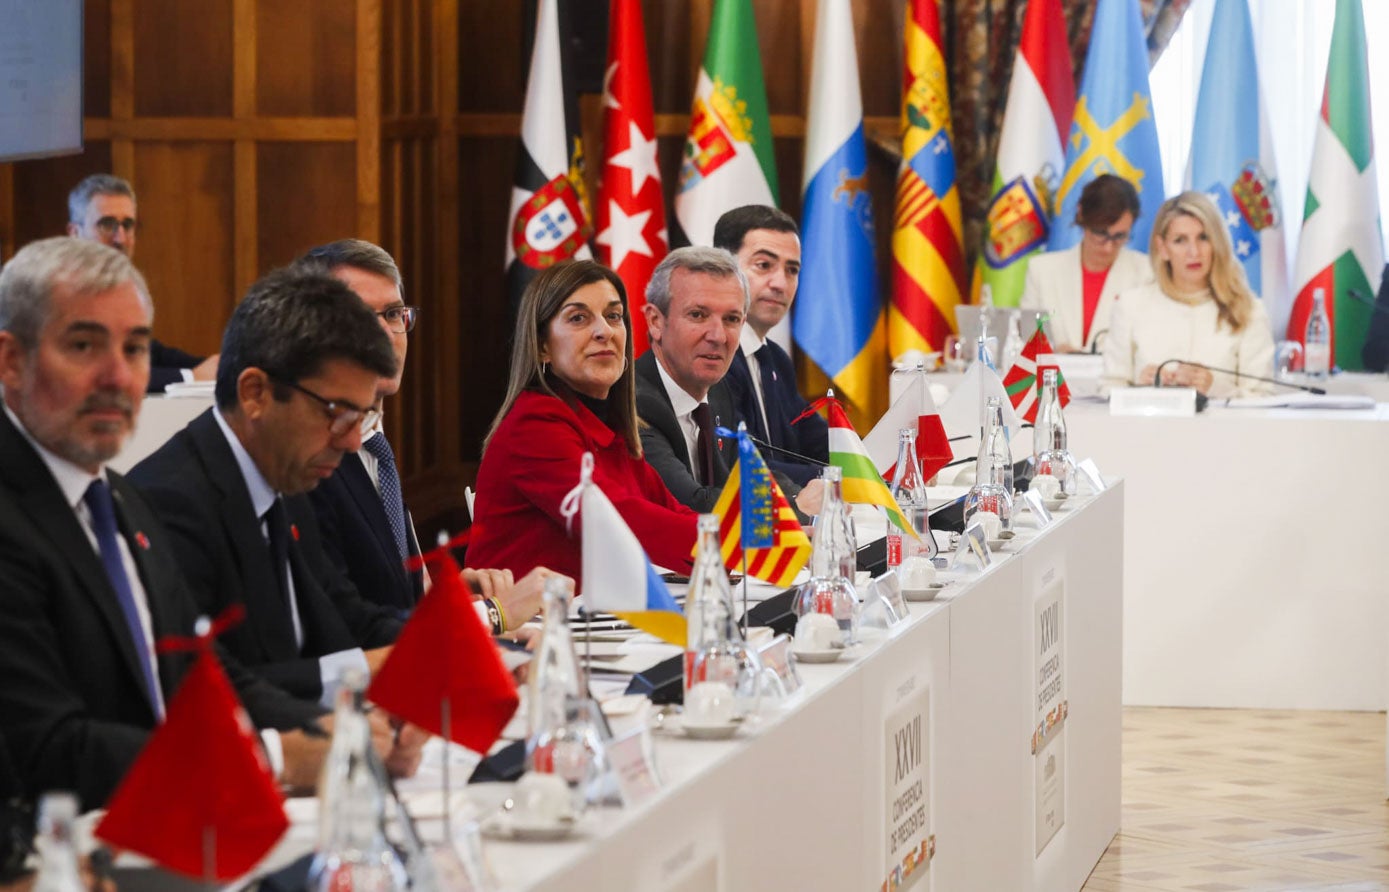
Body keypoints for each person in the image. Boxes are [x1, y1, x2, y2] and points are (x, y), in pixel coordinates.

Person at [0, 238, 411, 811]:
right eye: (84, 345)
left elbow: (202, 675)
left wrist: (340, 735)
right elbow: (45, 748)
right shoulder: (36, 510)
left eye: (137, 348)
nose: (119, 377)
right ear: (11, 361)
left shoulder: (114, 497)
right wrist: (270, 755)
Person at [127, 269, 407, 707]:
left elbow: (347, 613)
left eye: (362, 416)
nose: (353, 440)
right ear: (255, 393)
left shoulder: (285, 475)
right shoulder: (169, 503)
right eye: (338, 413)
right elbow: (212, 687)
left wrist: (454, 644)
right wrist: (365, 672)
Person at [293, 239, 548, 627]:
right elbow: (348, 626)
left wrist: (451, 595)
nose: (385, 334)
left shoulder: (374, 439)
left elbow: (393, 594)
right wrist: (491, 616)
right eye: (361, 317)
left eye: (394, 314)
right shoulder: (308, 458)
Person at [467, 260, 698, 582]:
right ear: (543, 346)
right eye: (578, 318)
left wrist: (751, 540)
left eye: (614, 316)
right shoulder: (534, 425)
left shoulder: (609, 428)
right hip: (524, 626)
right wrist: (731, 545)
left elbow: (672, 511)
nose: (604, 331)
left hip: (591, 622)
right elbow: (615, 518)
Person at [1103, 191, 1275, 397]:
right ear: (1162, 248)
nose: (1194, 252)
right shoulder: (1131, 305)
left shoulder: (1249, 310)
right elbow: (1108, 390)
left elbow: (1263, 399)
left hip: (1222, 429)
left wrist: (1216, 388)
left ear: (1217, 243)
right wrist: (1139, 389)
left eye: (1203, 238)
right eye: (1180, 240)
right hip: (1148, 428)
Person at [66, 174, 219, 390]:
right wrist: (190, 376)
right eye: (107, 224)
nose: (120, 238)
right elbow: (100, 371)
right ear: (74, 233)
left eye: (127, 225)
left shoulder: (121, 287)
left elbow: (146, 351)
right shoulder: (61, 293)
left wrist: (211, 367)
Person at [713, 205, 828, 485]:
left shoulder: (775, 360)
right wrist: (841, 478)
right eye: (764, 265)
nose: (780, 283)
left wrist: (881, 462)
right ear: (722, 267)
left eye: (792, 270)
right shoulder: (712, 357)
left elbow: (819, 442)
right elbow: (739, 461)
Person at [1021, 174, 1153, 353]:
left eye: (1119, 236)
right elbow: (1027, 342)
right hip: (1053, 377)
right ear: (1081, 215)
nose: (1108, 247)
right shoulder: (1042, 270)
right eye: (1100, 233)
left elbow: (1149, 345)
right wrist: (1054, 351)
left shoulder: (1147, 272)